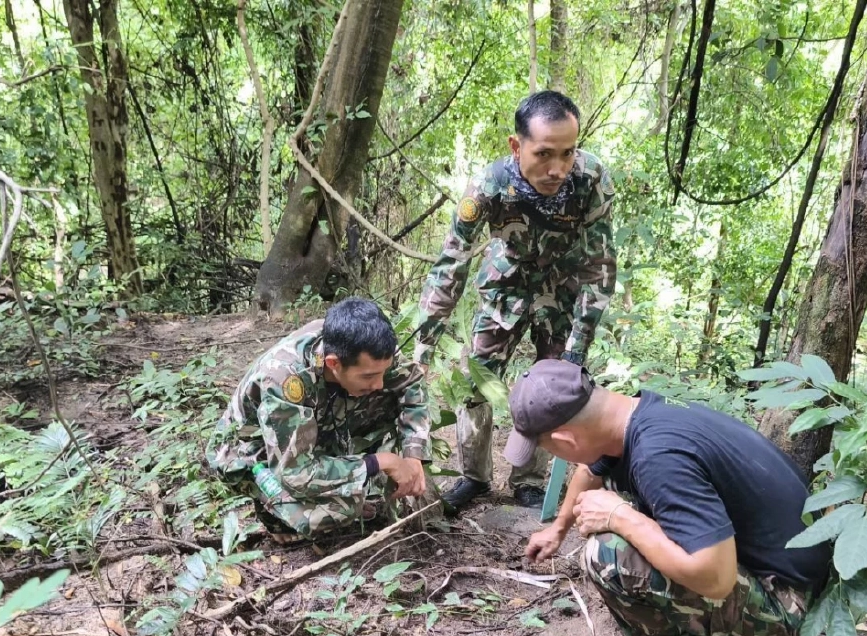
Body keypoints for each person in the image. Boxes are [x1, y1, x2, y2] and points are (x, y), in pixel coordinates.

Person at [509, 360, 830, 636]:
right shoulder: (635, 414)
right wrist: (558, 529)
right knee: (620, 509)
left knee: (607, 552)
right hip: (789, 565)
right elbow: (590, 470)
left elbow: (716, 579)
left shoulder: (658, 458)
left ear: (566, 440)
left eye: (548, 448)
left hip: (791, 604)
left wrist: (620, 517)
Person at [415, 90, 616, 512]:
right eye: (544, 154)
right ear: (516, 145)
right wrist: (424, 344)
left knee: (554, 386)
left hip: (562, 290)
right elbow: (450, 265)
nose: (557, 168)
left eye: (568, 153)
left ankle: (529, 479)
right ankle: (474, 476)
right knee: (476, 381)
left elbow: (600, 265)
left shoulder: (591, 178)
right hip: (504, 287)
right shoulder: (488, 186)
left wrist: (578, 347)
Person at [207, 297, 429, 540]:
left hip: (306, 428)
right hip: (250, 451)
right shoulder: (285, 380)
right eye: (368, 376)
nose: (378, 383)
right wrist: (378, 462)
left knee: (384, 397)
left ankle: (340, 475)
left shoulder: (368, 349)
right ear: (334, 363)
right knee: (339, 509)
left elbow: (412, 382)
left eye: (383, 372)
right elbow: (295, 474)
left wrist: (413, 454)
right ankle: (275, 515)